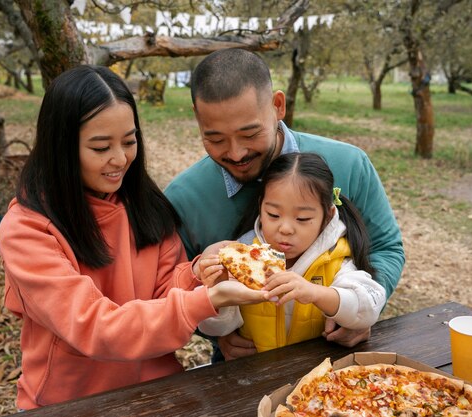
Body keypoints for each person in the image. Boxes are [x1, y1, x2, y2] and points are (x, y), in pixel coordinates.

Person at [0, 65, 265, 410]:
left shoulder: (145, 206)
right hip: (70, 403)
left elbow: (166, 289)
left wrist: (202, 272)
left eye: (129, 141)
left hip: (158, 394)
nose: (120, 159)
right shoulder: (27, 230)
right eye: (100, 147)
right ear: (60, 147)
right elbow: (95, 327)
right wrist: (205, 301)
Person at [164, 48, 405, 358]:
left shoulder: (349, 164)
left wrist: (358, 312)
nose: (236, 153)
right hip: (241, 372)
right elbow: (171, 285)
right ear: (197, 118)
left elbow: (386, 248)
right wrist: (211, 331)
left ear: (278, 106)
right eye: (216, 139)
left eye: (249, 133)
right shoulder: (184, 197)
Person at [197, 152, 386, 352]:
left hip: (317, 375)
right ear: (260, 206)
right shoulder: (244, 258)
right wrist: (216, 294)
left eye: (302, 218)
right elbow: (216, 328)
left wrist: (315, 293)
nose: (285, 228)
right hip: (255, 376)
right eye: (273, 215)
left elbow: (368, 308)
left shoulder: (336, 258)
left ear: (327, 216)